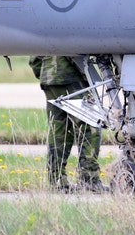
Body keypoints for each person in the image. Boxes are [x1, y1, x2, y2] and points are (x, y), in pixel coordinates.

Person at [28, 54, 104, 192]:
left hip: (49, 80)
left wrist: (47, 73)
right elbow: (76, 49)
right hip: (72, 78)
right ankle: (89, 179)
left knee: (59, 130)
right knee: (90, 125)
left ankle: (56, 180)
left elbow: (35, 59)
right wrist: (87, 75)